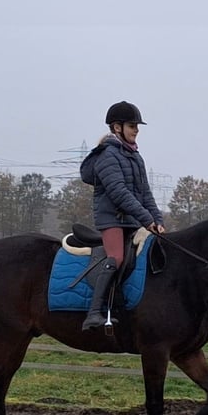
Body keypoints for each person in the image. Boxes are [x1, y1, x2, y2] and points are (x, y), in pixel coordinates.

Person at [79, 100, 165, 331]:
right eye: (132, 125)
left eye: (137, 126)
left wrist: (157, 220)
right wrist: (146, 219)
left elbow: (145, 194)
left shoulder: (135, 157)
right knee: (116, 258)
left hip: (132, 220)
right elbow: (119, 193)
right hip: (112, 220)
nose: (136, 130)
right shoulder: (107, 156)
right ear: (117, 128)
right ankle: (94, 313)